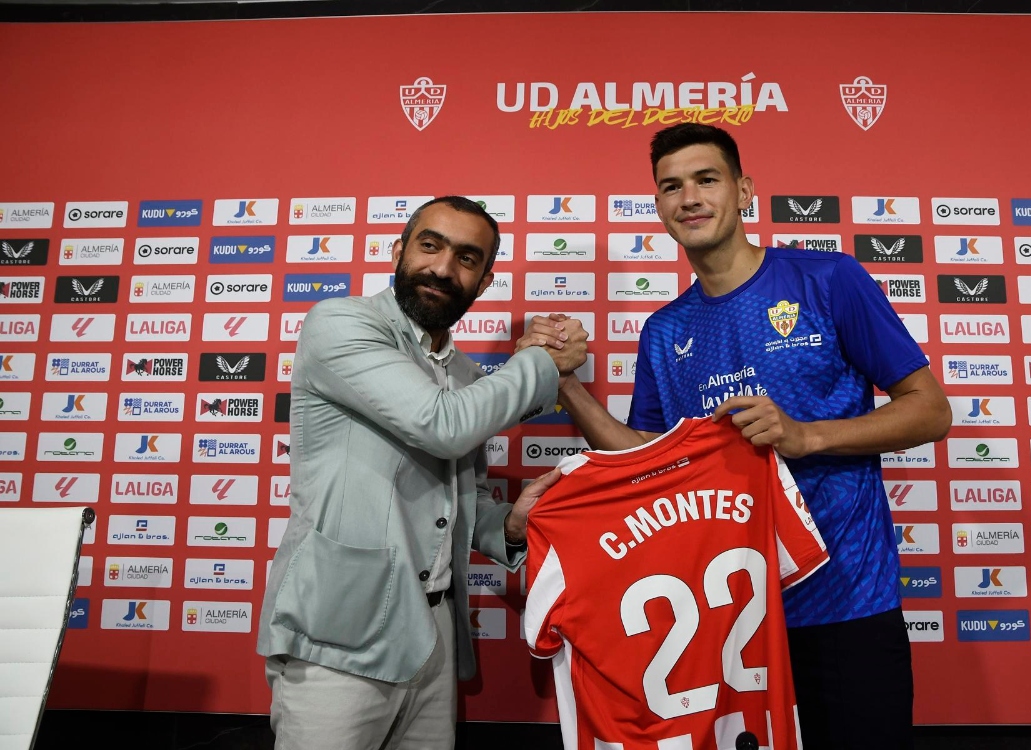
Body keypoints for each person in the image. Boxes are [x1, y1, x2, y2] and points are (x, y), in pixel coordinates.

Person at [524, 124, 951, 749]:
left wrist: (806, 436)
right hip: (730, 618)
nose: (689, 198)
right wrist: (564, 383)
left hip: (846, 602)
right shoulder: (665, 331)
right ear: (659, 207)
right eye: (671, 187)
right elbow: (645, 462)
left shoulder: (827, 280)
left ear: (744, 191)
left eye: (706, 179)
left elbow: (930, 411)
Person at [258, 195, 587, 750]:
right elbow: (443, 425)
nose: (441, 267)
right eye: (429, 246)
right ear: (399, 250)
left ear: (483, 282)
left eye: (465, 258)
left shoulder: (463, 374)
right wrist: (537, 364)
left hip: (434, 636)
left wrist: (508, 526)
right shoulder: (339, 323)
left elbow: (464, 497)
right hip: (340, 634)